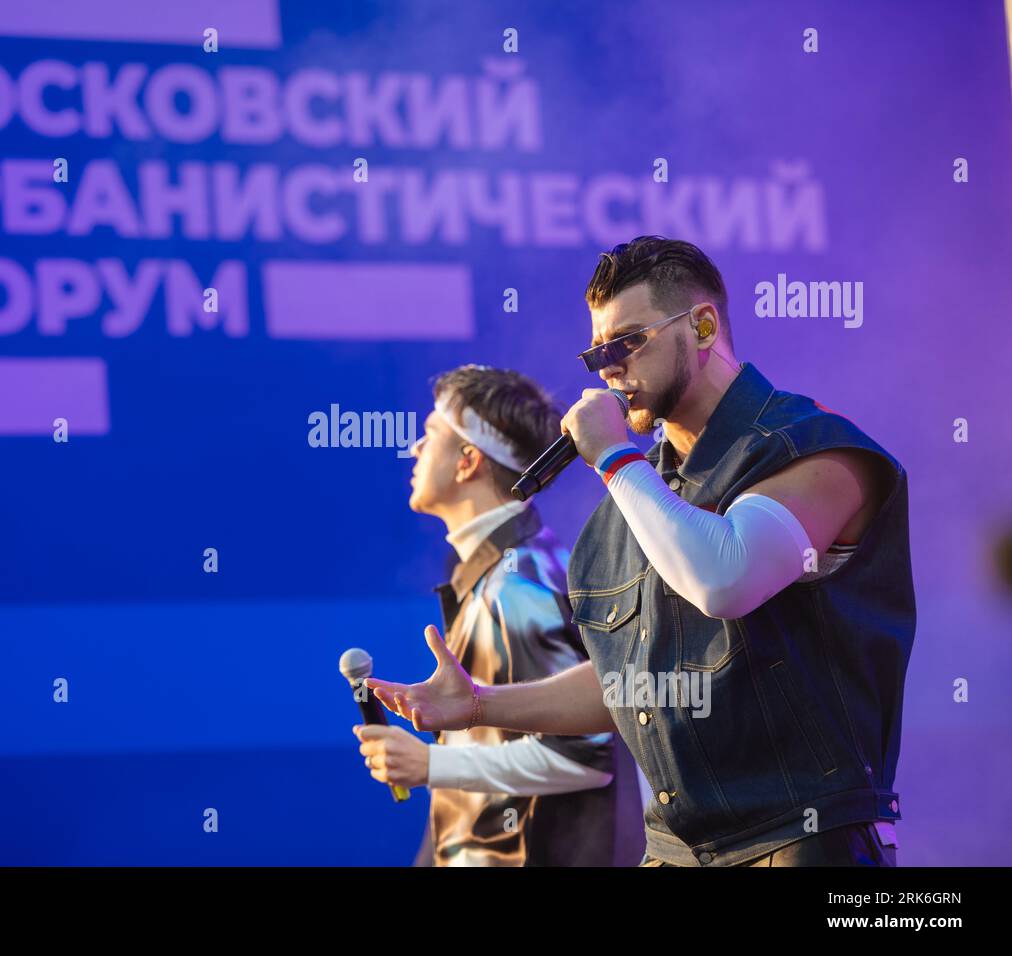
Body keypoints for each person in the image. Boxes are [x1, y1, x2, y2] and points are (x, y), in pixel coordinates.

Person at [366, 237, 914, 867]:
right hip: (675, 849)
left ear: (703, 325)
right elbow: (631, 682)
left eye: (627, 342)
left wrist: (615, 458)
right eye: (597, 351)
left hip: (799, 840)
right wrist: (484, 705)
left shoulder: (810, 447)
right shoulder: (631, 503)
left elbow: (726, 578)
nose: (607, 369)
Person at [355, 365, 641, 866]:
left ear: (468, 461)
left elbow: (586, 757)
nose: (415, 451)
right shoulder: (509, 570)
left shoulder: (517, 582)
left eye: (429, 436)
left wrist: (431, 762)